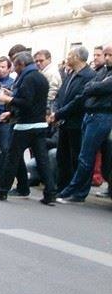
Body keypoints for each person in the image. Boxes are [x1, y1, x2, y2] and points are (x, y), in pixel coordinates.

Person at [0, 51, 56, 205]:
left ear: (21, 64)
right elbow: (33, 100)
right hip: (39, 124)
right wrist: (13, 98)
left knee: (12, 158)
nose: (14, 69)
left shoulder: (28, 78)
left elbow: (26, 102)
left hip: (25, 125)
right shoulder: (40, 77)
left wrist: (7, 99)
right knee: (42, 160)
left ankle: (1, 191)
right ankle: (50, 193)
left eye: (15, 65)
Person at [56, 44, 112, 203]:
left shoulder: (101, 73)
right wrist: (95, 87)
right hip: (91, 115)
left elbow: (97, 87)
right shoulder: (102, 71)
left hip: (102, 116)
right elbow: (90, 87)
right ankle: (77, 190)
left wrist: (95, 87)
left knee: (86, 157)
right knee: (85, 156)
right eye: (105, 55)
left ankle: (75, 191)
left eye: (109, 55)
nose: (106, 58)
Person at [50, 46, 94, 191]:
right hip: (64, 121)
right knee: (62, 157)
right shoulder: (71, 74)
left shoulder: (88, 76)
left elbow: (78, 101)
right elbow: (61, 95)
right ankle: (62, 186)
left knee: (75, 156)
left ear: (77, 57)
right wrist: (56, 110)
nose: (67, 58)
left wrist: (58, 113)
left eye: (69, 55)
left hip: (76, 122)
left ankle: (74, 188)